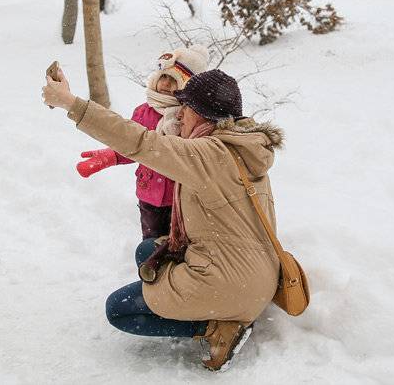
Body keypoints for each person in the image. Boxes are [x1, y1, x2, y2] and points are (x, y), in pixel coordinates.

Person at [43, 67, 283, 371]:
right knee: (147, 252)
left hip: (232, 283)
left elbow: (141, 142)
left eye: (185, 108)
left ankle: (217, 327)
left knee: (119, 310)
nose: (179, 115)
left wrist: (70, 103)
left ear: (204, 114)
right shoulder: (240, 148)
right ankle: (216, 307)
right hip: (255, 274)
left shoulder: (209, 154)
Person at [75, 46, 209, 239]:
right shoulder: (143, 112)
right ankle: (149, 267)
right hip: (149, 195)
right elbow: (132, 144)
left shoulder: (187, 116)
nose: (166, 84)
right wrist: (110, 156)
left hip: (179, 198)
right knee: (151, 242)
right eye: (163, 77)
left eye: (174, 80)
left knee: (178, 244)